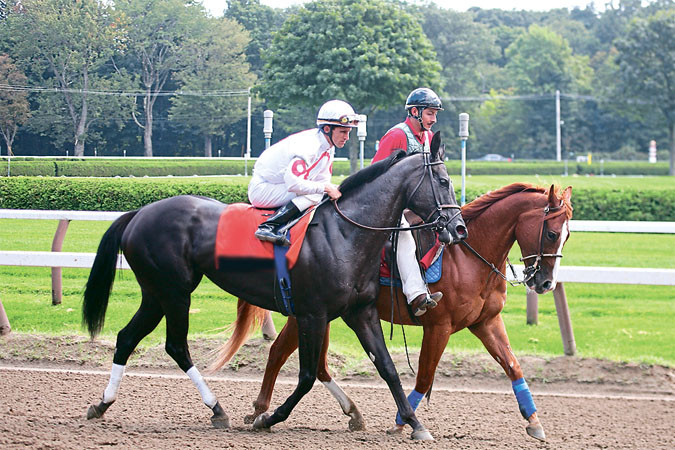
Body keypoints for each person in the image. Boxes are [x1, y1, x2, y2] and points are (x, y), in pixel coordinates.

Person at [372, 87, 444, 316]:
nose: (434, 119)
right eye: (430, 113)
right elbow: (377, 177)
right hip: (387, 206)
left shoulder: (429, 138)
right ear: (415, 112)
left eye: (435, 114)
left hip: (414, 207)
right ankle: (416, 295)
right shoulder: (396, 136)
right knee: (403, 235)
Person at [249, 99, 359, 246]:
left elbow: (323, 180)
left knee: (322, 193)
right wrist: (326, 188)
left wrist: (331, 188)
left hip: (278, 186)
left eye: (348, 132)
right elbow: (293, 184)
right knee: (316, 194)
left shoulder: (328, 147)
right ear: (327, 128)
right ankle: (268, 226)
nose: (347, 137)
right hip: (263, 189)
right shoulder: (309, 146)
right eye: (343, 132)